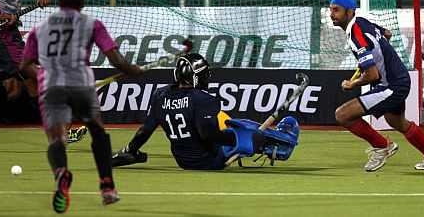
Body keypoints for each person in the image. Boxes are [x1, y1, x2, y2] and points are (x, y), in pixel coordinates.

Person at [20, 0, 142, 213]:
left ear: (60, 2)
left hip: (52, 88)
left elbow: (24, 65)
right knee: (97, 132)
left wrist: (44, 75)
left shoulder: (39, 29)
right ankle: (107, 186)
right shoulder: (91, 24)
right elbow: (115, 60)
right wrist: (133, 70)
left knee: (56, 140)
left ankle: (61, 173)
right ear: (82, 3)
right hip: (82, 86)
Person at [112, 53, 300, 170]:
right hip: (209, 161)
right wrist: (241, 140)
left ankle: (267, 142)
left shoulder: (160, 95)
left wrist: (130, 150)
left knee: (235, 127)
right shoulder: (203, 98)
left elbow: (145, 130)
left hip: (183, 161)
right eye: (203, 74)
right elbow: (208, 135)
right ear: (195, 77)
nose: (206, 77)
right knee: (244, 128)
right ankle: (283, 143)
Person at [330, 0, 424, 172]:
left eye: (336, 10)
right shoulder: (362, 22)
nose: (332, 14)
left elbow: (371, 75)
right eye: (331, 10)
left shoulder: (356, 36)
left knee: (342, 115)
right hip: (400, 79)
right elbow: (387, 33)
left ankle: (382, 146)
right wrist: (374, 55)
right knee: (395, 120)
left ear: (349, 12)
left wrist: (352, 84)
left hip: (391, 86)